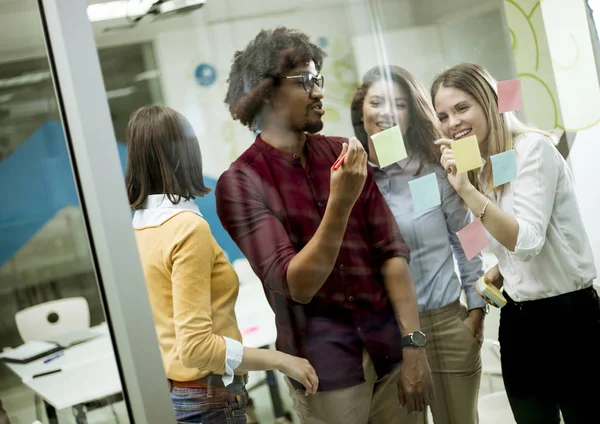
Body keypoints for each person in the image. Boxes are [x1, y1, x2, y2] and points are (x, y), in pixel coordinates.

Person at [215, 27, 433, 424]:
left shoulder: (342, 153)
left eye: (319, 80)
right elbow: (297, 284)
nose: (319, 92)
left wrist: (413, 345)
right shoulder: (240, 183)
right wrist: (341, 201)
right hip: (325, 373)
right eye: (306, 81)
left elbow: (391, 252)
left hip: (391, 355)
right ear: (266, 90)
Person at [125, 105, 318, 424]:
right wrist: (280, 360)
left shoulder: (140, 227)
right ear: (186, 155)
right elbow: (197, 348)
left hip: (180, 394)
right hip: (208, 399)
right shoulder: (186, 228)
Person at [431, 62, 600, 424]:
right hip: (519, 322)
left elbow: (527, 240)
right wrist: (500, 269)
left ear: (491, 101)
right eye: (443, 116)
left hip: (569, 319)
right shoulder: (485, 163)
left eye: (462, 108)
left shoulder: (532, 149)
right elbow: (510, 242)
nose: (453, 123)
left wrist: (467, 191)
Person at [351, 65, 486, 424]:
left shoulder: (432, 172)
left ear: (412, 113)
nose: (386, 113)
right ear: (360, 110)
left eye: (398, 104)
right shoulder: (351, 180)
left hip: (447, 323)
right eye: (376, 102)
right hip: (386, 336)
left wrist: (476, 305)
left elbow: (467, 235)